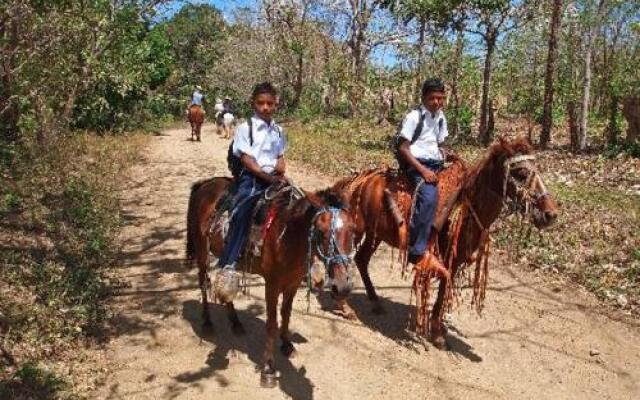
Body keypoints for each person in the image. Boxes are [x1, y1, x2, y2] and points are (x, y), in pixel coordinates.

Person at [214, 82, 287, 300]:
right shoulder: (246, 128)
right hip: (252, 178)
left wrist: (279, 174)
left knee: (303, 205)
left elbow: (281, 159)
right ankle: (229, 263)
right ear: (253, 104)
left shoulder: (279, 131)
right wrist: (268, 177)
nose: (265, 107)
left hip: (274, 176)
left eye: (270, 103)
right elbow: (247, 159)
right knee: (243, 210)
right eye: (261, 103)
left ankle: (304, 259)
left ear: (276, 104)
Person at [396, 78, 450, 266]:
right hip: (416, 163)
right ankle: (417, 250)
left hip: (436, 162)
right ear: (424, 98)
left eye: (440, 98)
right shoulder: (414, 117)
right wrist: (423, 171)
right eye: (433, 98)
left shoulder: (441, 117)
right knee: (428, 197)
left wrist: (448, 155)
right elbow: (403, 148)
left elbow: (439, 143)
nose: (437, 102)